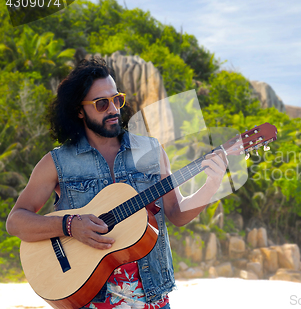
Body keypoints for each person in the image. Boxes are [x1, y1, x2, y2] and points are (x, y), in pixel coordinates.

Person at [6, 58, 228, 309]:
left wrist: (211, 185)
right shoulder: (57, 162)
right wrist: (70, 225)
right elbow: (16, 222)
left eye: (117, 100)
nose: (113, 109)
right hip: (89, 300)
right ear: (80, 111)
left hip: (153, 298)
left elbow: (176, 213)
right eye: (101, 103)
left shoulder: (151, 151)